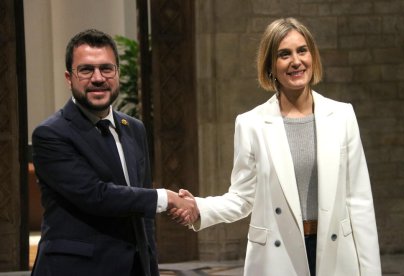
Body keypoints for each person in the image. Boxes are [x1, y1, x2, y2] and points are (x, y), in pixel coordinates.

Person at [175, 17, 381, 276]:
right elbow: (242, 198)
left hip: (336, 253)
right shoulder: (251, 124)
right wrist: (200, 208)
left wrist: (372, 271)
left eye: (302, 51)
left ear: (312, 57)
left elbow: (359, 201)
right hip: (278, 257)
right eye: (284, 54)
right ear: (271, 65)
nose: (296, 61)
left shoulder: (342, 116)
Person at [31, 29, 197, 276]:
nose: (98, 78)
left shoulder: (134, 128)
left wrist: (150, 267)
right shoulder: (50, 134)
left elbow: (142, 216)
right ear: (69, 78)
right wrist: (167, 198)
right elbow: (96, 195)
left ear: (117, 74)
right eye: (86, 70)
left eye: (106, 69)